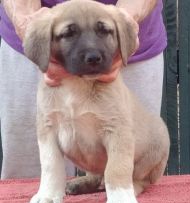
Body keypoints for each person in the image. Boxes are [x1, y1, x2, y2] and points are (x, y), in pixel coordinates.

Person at [0, 0, 167, 179]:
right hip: (42, 44)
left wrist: (124, 21)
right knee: (28, 180)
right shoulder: (39, 36)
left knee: (131, 160)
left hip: (125, 43)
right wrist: (27, 23)